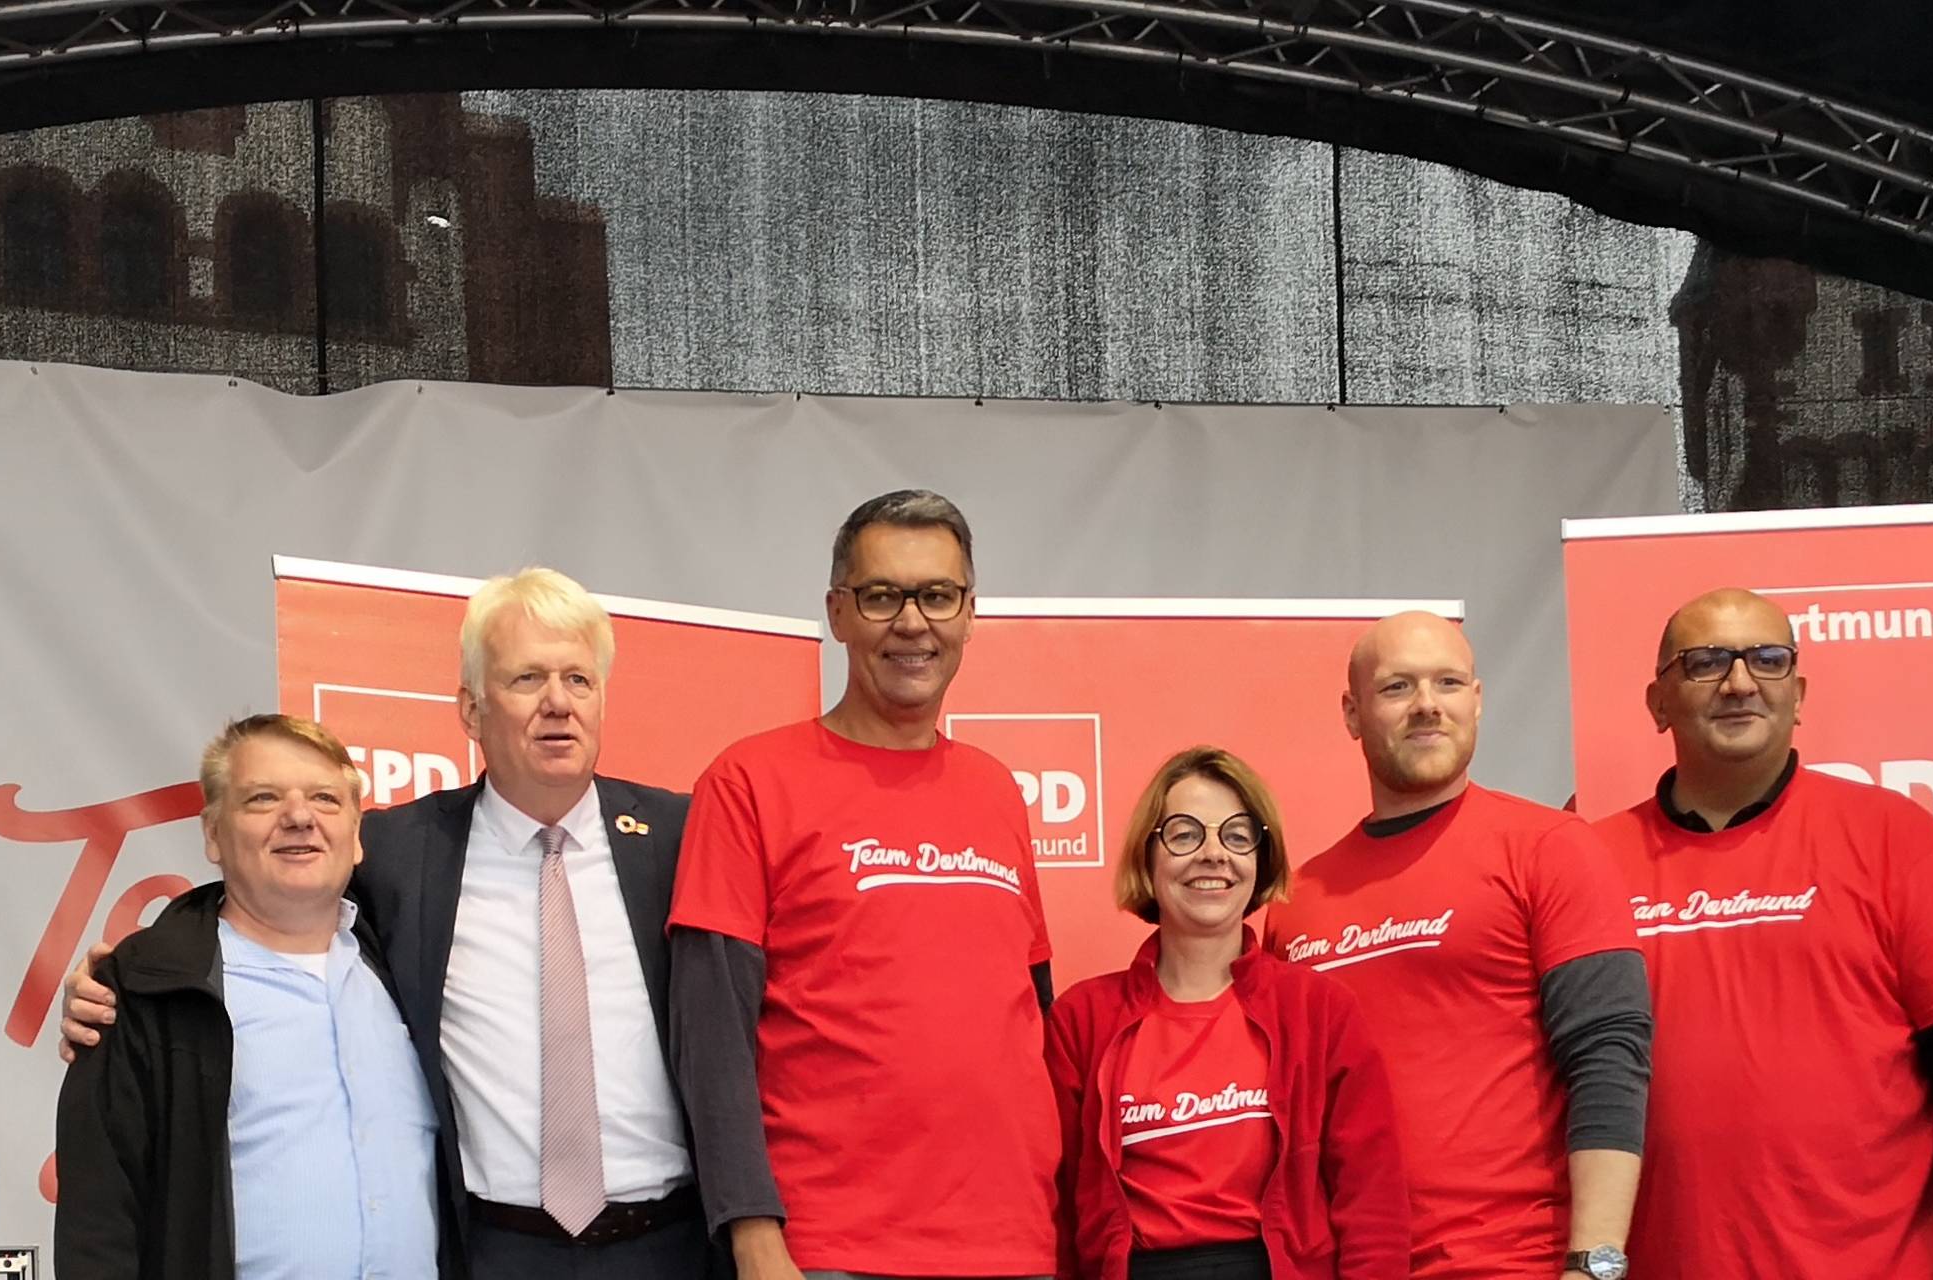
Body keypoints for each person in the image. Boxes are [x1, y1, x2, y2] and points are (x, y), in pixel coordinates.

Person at [62, 569, 708, 1279]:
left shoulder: (686, 836)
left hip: (672, 1245)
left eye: (578, 680)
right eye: (527, 678)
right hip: (494, 1251)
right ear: (471, 709)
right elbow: (272, 890)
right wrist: (132, 976)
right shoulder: (405, 851)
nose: (558, 702)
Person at [668, 488, 1061, 1280]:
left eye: (938, 596)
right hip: (830, 1250)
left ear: (970, 614)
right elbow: (710, 1035)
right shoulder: (749, 781)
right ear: (838, 613)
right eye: (882, 596)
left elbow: (1033, 1015)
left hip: (1013, 1242)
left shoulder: (997, 790)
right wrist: (752, 1232)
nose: (913, 623)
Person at [1589, 589, 1933, 1280]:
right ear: (1658, 702)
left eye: (1768, 659)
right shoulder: (1588, 861)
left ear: (1798, 694)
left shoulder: (1893, 835)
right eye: (1705, 662)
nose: (1739, 683)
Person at [1261, 612, 1649, 1280]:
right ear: (1352, 714)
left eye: (1447, 682)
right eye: (1397, 687)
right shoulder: (1298, 901)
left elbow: (1610, 1055)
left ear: (1477, 699)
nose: (1426, 705)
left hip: (1516, 1263)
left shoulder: (1551, 848)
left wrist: (1594, 1264)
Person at [56, 714, 437, 1280]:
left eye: (326, 799)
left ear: (357, 834)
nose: (300, 817)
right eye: (263, 798)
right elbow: (99, 1226)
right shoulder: (144, 991)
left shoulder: (415, 969)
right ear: (213, 834)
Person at [1047, 746, 1411, 1280]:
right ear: (1148, 857)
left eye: (1237, 836)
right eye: (1185, 834)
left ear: (1261, 860)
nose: (1213, 854)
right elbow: (1054, 1211)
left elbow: (1372, 1205)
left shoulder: (1320, 1011)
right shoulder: (1082, 1020)